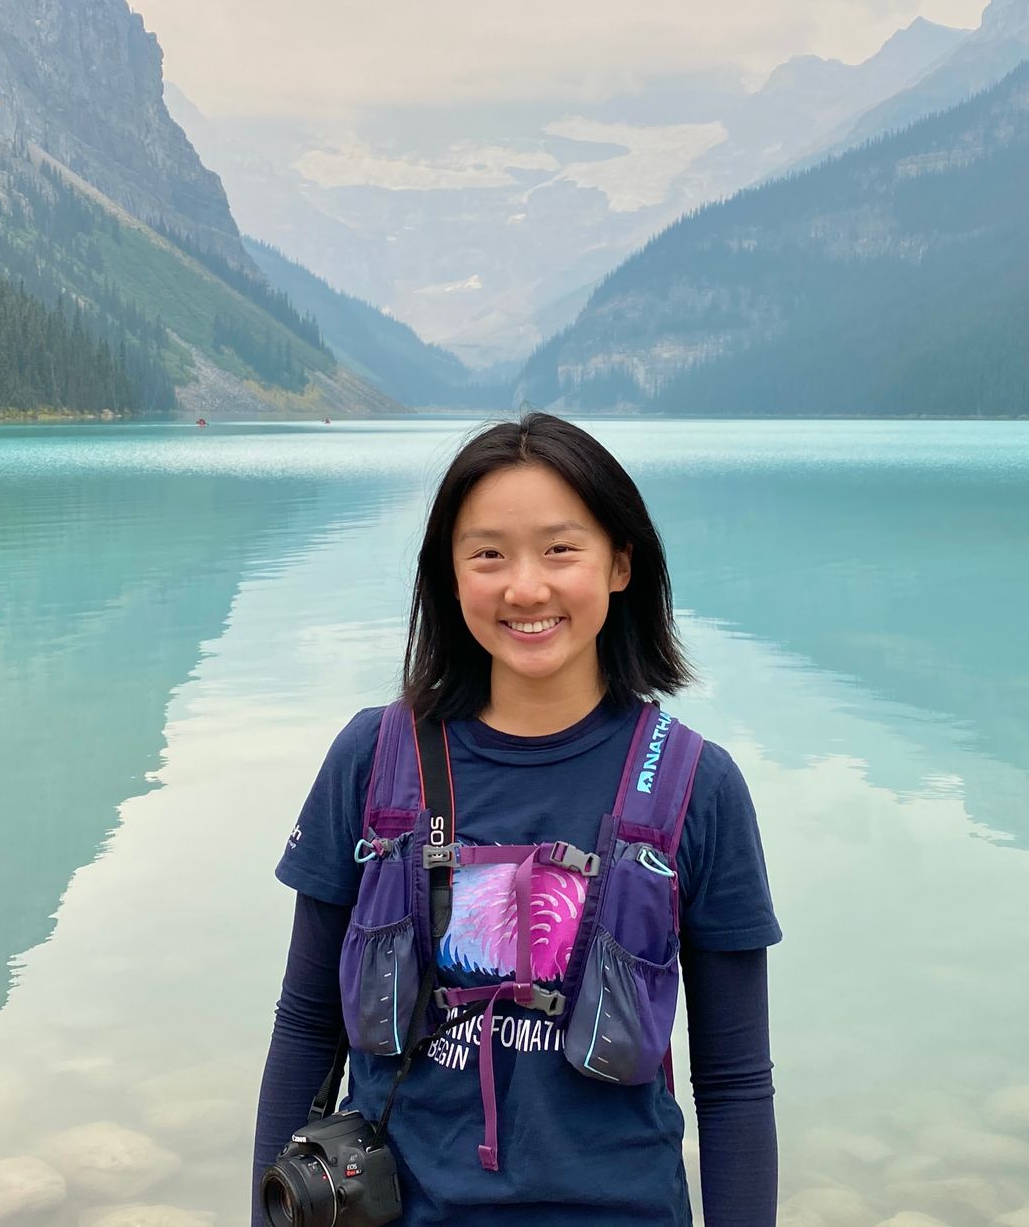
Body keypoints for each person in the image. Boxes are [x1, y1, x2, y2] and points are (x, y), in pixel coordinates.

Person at [252, 411, 780, 1225]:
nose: (525, 587)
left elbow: (735, 1082)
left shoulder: (694, 786)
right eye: (488, 553)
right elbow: (303, 1028)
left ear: (620, 563)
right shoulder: (372, 760)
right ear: (450, 574)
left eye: (560, 549)